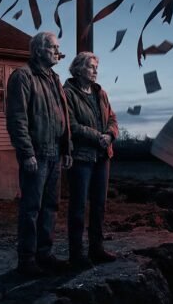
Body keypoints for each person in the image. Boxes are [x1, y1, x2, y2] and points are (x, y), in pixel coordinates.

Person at [6, 31, 73, 276]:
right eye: (53, 47)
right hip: (37, 153)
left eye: (58, 47)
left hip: (55, 152)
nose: (58, 51)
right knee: (31, 208)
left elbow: (63, 115)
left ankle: (44, 254)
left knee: (51, 207)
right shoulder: (23, 76)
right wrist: (27, 153)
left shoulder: (54, 78)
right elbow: (17, 119)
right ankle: (27, 259)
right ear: (38, 50)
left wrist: (67, 148)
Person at [63, 52, 118, 268]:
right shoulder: (67, 93)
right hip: (81, 157)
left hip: (103, 156)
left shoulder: (100, 93)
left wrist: (110, 135)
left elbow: (113, 119)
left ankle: (97, 249)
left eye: (96, 67)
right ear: (77, 69)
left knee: (99, 205)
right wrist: (98, 137)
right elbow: (71, 126)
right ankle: (76, 254)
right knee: (77, 207)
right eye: (91, 67)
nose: (95, 71)